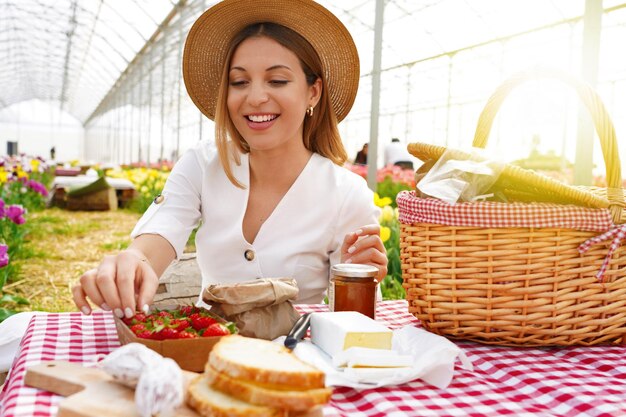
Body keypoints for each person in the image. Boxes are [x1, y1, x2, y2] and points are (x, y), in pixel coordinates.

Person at [72, 0, 387, 319]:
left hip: (299, 358)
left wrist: (362, 275)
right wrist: (133, 262)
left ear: (313, 92)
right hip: (207, 352)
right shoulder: (202, 164)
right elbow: (160, 233)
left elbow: (353, 319)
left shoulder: (346, 194)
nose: (255, 97)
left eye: (277, 80)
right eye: (239, 82)